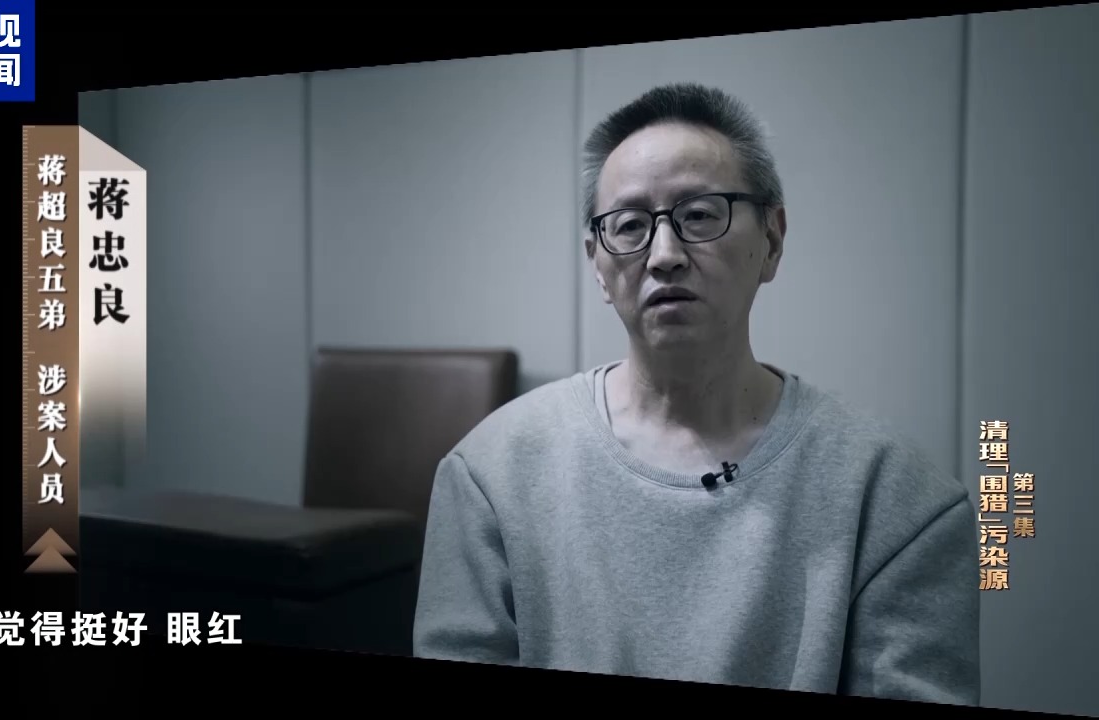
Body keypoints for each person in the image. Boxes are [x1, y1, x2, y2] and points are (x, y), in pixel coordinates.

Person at [412, 82, 980, 705]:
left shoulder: (897, 494)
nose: (664, 255)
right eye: (630, 225)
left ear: (772, 240)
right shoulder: (490, 474)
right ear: (597, 263)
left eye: (701, 215)